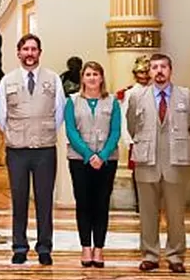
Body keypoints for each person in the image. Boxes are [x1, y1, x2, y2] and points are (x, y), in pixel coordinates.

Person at [127, 53, 190, 274]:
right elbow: (132, 126)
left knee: (176, 213)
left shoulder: (186, 96)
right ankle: (149, 254)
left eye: (163, 67)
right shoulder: (137, 98)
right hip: (146, 161)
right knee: (147, 213)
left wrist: (180, 143)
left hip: (176, 162)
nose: (159, 71)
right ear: (149, 72)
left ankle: (175, 255)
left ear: (170, 70)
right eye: (154, 67)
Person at [0, 33, 65, 266]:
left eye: (34, 49)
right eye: (25, 49)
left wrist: (41, 131)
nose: (30, 54)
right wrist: (18, 134)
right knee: (19, 200)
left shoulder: (53, 79)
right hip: (17, 151)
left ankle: (44, 247)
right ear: (18, 53)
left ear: (39, 53)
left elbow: (59, 113)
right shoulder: (8, 81)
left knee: (44, 200)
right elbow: (1, 116)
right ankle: (20, 246)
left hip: (44, 149)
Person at [64, 61, 121, 268]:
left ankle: (99, 248)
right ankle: (85, 247)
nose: (92, 78)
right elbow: (71, 130)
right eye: (88, 74)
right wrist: (89, 155)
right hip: (80, 160)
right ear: (83, 78)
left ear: (101, 78)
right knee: (84, 204)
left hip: (107, 160)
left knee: (101, 204)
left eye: (95, 74)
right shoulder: (72, 101)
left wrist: (103, 155)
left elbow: (115, 131)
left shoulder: (112, 101)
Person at [116, 55, 151, 213]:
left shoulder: (155, 91)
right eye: (141, 73)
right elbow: (124, 117)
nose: (143, 76)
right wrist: (128, 140)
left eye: (146, 72)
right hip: (137, 139)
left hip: (155, 138)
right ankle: (140, 203)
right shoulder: (130, 93)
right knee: (139, 173)